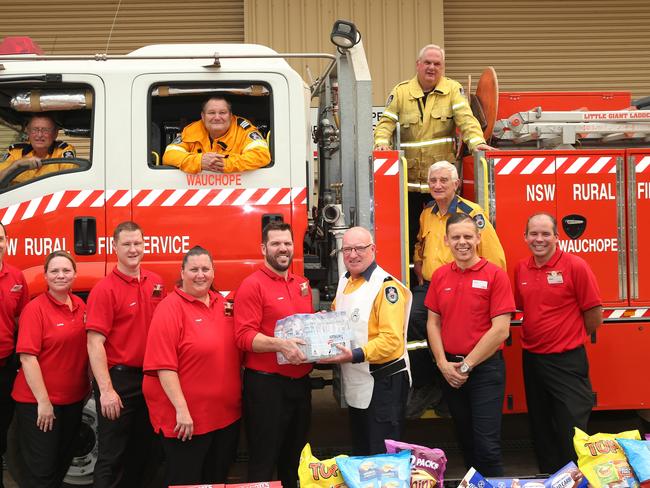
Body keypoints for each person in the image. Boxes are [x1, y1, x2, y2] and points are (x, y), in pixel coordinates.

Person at [408, 160, 506, 418]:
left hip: (465, 284)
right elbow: (420, 241)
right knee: (411, 319)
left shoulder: (471, 213)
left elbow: (495, 258)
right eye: (433, 181)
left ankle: (446, 383)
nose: (437, 186)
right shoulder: (426, 212)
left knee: (457, 331)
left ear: (456, 184)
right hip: (432, 285)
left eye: (443, 181)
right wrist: (418, 263)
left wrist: (489, 294)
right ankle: (428, 383)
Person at [425, 213, 514, 476]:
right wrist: (443, 364)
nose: (462, 242)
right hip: (451, 371)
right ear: (446, 241)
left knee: (486, 446)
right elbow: (433, 323)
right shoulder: (440, 276)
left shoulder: (495, 276)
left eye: (467, 236)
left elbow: (501, 330)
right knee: (465, 441)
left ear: (477, 238)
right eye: (456, 237)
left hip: (484, 372)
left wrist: (465, 367)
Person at [143, 246, 241, 486]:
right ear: (182, 272)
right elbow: (164, 366)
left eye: (206, 269)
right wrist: (182, 410)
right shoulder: (170, 308)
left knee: (216, 480)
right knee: (186, 481)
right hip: (187, 422)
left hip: (225, 418)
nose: (200, 275)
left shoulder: (223, 304)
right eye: (194, 269)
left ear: (214, 272)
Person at [515, 213, 602, 474]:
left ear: (556, 236)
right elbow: (523, 308)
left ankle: (576, 478)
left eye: (545, 234)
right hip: (532, 358)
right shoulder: (521, 268)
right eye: (533, 234)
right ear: (525, 237)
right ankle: (549, 478)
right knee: (541, 427)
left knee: (571, 429)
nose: (539, 239)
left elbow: (594, 314)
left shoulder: (576, 266)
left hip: (567, 361)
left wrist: (568, 336)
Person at [86, 221, 165, 488]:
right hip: (119, 383)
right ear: (114, 247)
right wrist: (106, 390)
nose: (133, 249)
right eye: (127, 244)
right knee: (112, 457)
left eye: (138, 243)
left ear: (145, 245)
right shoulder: (104, 289)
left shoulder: (156, 282)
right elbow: (94, 343)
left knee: (145, 454)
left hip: (151, 380)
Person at [234, 221, 312, 488]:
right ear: (263, 248)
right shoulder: (251, 285)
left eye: (287, 243)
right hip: (267, 388)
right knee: (263, 462)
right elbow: (243, 336)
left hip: (300, 386)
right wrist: (281, 345)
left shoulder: (301, 284)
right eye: (276, 243)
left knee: (295, 461)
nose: (283, 249)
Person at [321, 226, 411, 455]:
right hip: (360, 382)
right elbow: (342, 319)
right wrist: (324, 322)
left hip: (384, 385)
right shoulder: (346, 281)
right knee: (363, 453)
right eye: (347, 249)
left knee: (382, 457)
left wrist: (355, 354)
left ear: (373, 250)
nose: (352, 254)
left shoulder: (386, 287)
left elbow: (392, 341)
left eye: (359, 248)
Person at [11, 251, 88, 488]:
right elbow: (28, 358)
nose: (60, 276)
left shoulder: (80, 305)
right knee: (41, 472)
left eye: (66, 270)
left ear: (75, 274)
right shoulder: (35, 310)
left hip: (72, 402)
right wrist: (43, 403)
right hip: (39, 405)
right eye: (54, 271)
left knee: (60, 466)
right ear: (45, 275)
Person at [374, 44, 493, 194]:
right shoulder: (401, 92)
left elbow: (466, 120)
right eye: (427, 62)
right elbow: (386, 123)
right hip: (408, 184)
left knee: (442, 218)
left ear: (442, 67)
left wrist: (477, 142)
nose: (432, 67)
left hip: (441, 183)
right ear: (418, 65)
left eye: (437, 64)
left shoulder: (452, 90)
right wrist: (382, 144)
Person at [162, 95, 271, 173]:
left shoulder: (245, 130)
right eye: (211, 113)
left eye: (222, 113)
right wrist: (199, 161)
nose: (217, 117)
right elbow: (169, 155)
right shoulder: (191, 130)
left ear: (230, 115)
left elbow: (262, 155)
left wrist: (227, 164)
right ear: (203, 116)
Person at [0, 222, 29, 487]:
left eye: (0, 238)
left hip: (4, 363)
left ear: (7, 242)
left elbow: (21, 318)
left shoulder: (17, 278)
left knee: (3, 418)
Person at [0, 114, 77, 186]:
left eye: (45, 130)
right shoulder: (16, 152)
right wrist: (16, 164)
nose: (39, 135)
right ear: (28, 132)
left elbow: (69, 184)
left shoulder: (63, 151)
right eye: (35, 130)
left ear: (55, 134)